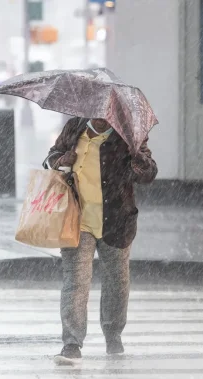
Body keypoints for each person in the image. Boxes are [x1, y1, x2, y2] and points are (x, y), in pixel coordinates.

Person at [43, 117, 158, 365]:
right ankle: (71, 344)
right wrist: (61, 161)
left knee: (117, 281)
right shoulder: (75, 128)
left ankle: (113, 335)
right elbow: (50, 158)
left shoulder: (129, 134)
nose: (100, 116)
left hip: (117, 220)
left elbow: (149, 174)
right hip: (77, 220)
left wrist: (136, 154)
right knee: (75, 283)